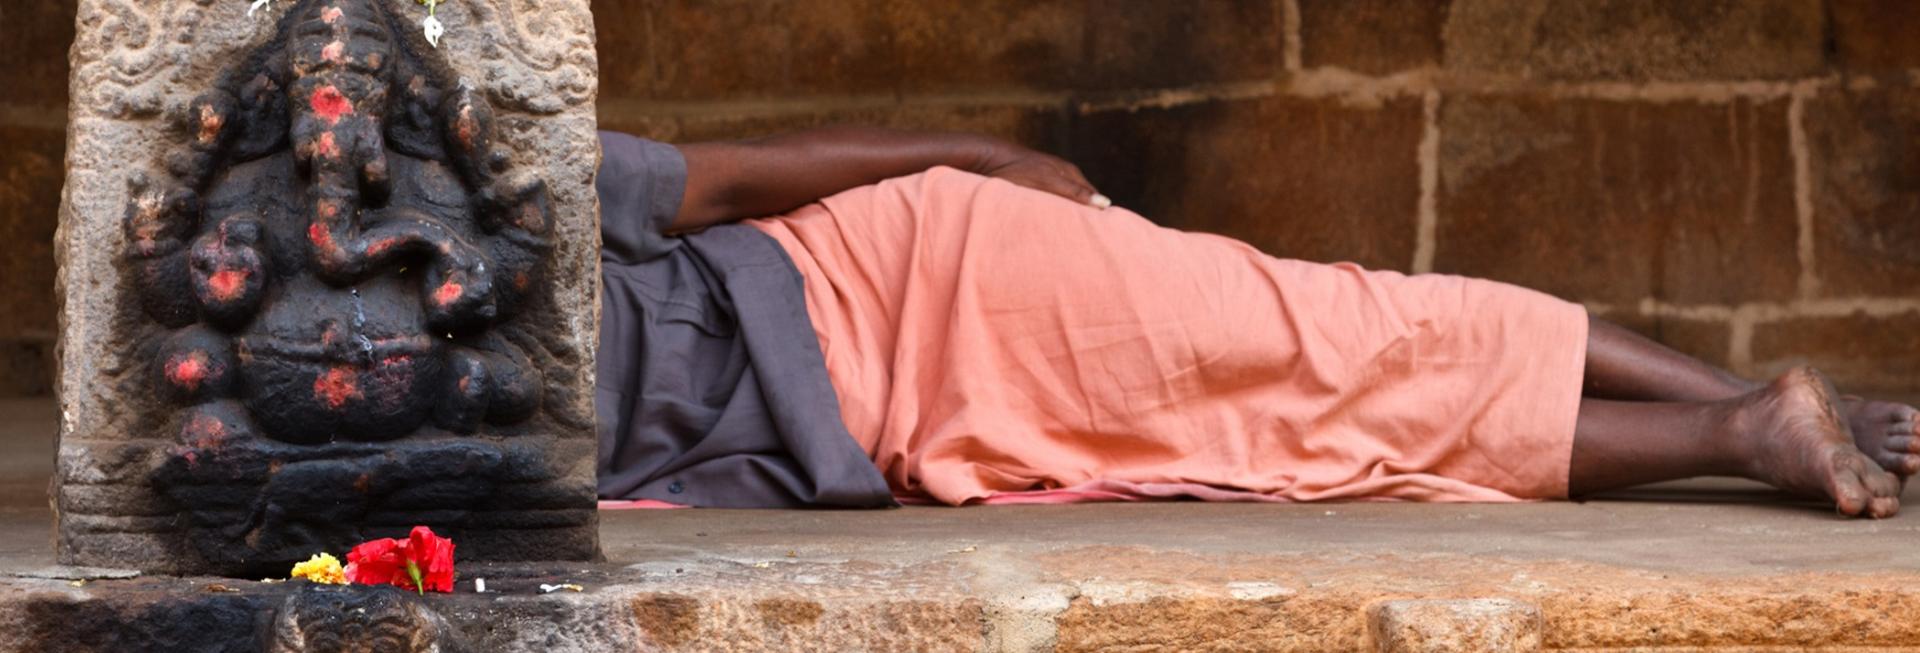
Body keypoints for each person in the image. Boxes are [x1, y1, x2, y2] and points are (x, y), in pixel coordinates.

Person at [593, 127, 1917, 518]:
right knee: (1310, 431)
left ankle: (1764, 410)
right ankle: (1756, 421)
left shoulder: (491, 178)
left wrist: (989, 155)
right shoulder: (386, 449)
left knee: (1339, 337)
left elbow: (729, 178)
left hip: (912, 279)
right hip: (911, 426)